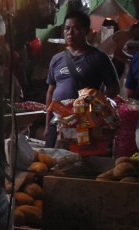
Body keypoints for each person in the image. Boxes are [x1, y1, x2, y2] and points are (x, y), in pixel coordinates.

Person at [45, 10, 118, 147]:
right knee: (52, 160)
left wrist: (95, 111)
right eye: (67, 28)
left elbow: (113, 88)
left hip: (84, 124)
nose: (70, 32)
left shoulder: (99, 58)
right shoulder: (56, 59)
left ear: (86, 31)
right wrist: (47, 123)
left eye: (75, 28)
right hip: (57, 121)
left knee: (81, 161)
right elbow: (50, 91)